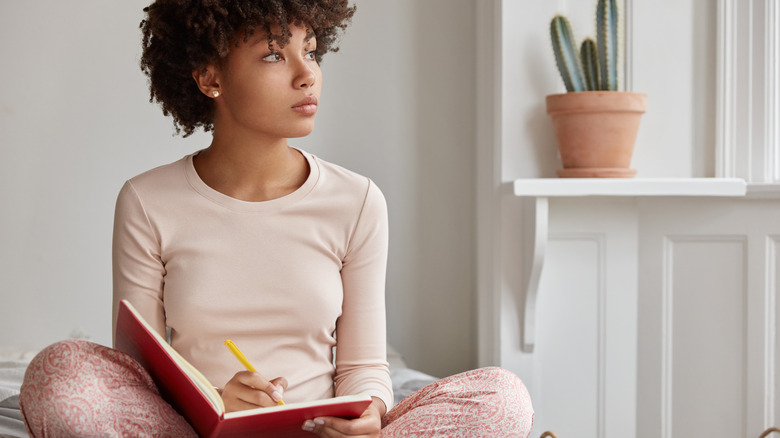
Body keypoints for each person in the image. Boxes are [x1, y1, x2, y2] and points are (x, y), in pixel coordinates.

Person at [19, 1, 534, 436]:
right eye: (273, 54)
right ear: (209, 76)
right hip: (199, 429)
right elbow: (142, 373)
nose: (307, 73)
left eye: (309, 51)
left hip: (320, 433)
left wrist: (370, 415)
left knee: (503, 398)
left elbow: (361, 367)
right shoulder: (146, 201)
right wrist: (218, 401)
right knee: (58, 373)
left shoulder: (357, 201)